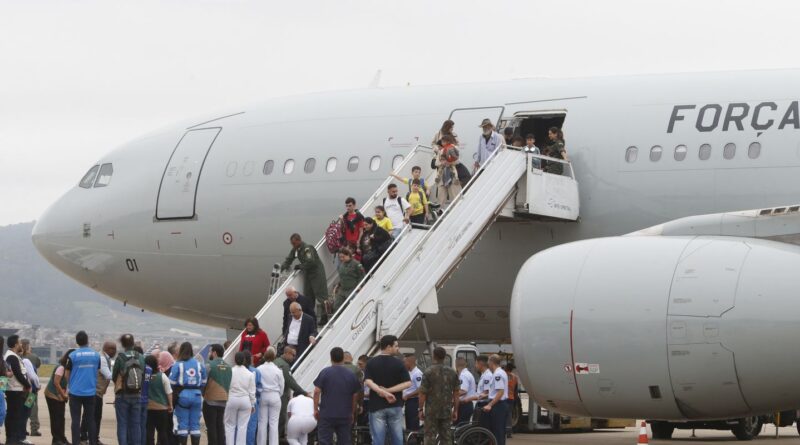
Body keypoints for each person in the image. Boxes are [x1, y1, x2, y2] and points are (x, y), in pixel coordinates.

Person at [364, 335, 411, 445]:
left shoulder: (371, 362)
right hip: (395, 404)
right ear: (389, 347)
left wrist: (383, 392)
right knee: (397, 438)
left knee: (377, 439)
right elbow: (408, 383)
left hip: (376, 406)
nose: (397, 348)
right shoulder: (399, 363)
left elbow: (368, 382)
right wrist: (389, 391)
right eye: (396, 346)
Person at [313, 347, 360, 445]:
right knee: (344, 441)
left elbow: (317, 391)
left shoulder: (325, 372)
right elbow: (355, 395)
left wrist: (316, 409)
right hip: (344, 414)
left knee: (325, 441)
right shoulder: (351, 375)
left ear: (331, 358)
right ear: (343, 358)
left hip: (327, 413)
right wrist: (352, 411)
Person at [281, 234, 329, 324]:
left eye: (294, 243)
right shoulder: (296, 249)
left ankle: (325, 316)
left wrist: (300, 266)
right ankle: (311, 317)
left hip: (316, 273)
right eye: (292, 244)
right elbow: (289, 259)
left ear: (299, 240)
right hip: (308, 274)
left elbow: (311, 262)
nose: (293, 245)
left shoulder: (307, 248)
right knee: (309, 296)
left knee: (321, 295)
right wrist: (283, 267)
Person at [65, 331, 101, 445]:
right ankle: (93, 442)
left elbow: (67, 374)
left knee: (75, 420)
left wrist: (71, 384)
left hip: (75, 392)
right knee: (90, 420)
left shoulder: (72, 356)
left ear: (77, 342)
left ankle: (76, 442)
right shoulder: (96, 355)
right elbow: (97, 370)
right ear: (87, 340)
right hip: (90, 392)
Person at [419, 347, 460, 445]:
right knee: (446, 437)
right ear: (445, 357)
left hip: (431, 411)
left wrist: (420, 409)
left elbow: (422, 393)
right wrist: (455, 410)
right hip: (446, 410)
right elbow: (456, 394)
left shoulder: (428, 372)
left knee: (429, 437)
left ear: (434, 356)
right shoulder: (452, 372)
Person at [169, 342, 206, 445]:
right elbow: (204, 381)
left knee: (183, 425)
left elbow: (171, 382)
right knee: (195, 425)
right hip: (197, 396)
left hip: (183, 396)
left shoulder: (178, 364)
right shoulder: (199, 364)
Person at [113, 334, 145, 445]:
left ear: (122, 344)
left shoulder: (121, 357)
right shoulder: (140, 357)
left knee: (122, 424)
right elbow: (144, 374)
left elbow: (114, 375)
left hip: (123, 395)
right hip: (137, 394)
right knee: (136, 424)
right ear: (133, 343)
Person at [82, 341, 114, 445]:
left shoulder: (105, 358)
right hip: (95, 392)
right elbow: (108, 375)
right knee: (94, 416)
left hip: (96, 392)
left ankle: (88, 437)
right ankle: (90, 438)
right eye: (113, 349)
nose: (115, 352)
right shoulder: (102, 358)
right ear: (107, 349)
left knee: (91, 416)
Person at [273, 345, 307, 442]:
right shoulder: (284, 365)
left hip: (274, 394)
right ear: (287, 353)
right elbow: (290, 382)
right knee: (281, 417)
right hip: (281, 395)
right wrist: (303, 392)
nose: (294, 358)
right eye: (293, 355)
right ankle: (279, 438)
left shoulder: (276, 362)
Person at [224, 352, 256, 445]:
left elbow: (226, 386)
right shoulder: (250, 374)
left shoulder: (230, 371)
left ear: (234, 360)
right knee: (242, 427)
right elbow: (252, 391)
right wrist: (253, 404)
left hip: (232, 398)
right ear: (244, 360)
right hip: (245, 400)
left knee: (230, 426)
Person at [204, 344, 232, 445]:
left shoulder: (209, 365)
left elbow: (203, 382)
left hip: (210, 400)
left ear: (214, 353)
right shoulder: (229, 367)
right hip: (224, 400)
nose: (209, 353)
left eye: (210, 351)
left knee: (211, 427)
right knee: (220, 426)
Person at [4, 335, 30, 445]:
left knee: (15, 415)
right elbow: (18, 373)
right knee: (13, 415)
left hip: (16, 389)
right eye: (19, 343)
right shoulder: (11, 357)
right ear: (15, 345)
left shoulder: (13, 356)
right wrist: (27, 384)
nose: (21, 345)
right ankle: (12, 439)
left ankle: (14, 439)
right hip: (14, 390)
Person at [45, 349, 73, 445]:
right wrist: (63, 395)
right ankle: (56, 440)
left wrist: (65, 395)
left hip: (60, 395)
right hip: (52, 394)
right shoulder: (61, 368)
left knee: (61, 417)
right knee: (55, 417)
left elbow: (67, 384)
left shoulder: (69, 368)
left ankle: (62, 438)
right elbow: (56, 383)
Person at [256, 347, 284, 445]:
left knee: (262, 422)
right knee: (273, 423)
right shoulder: (278, 370)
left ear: (264, 357)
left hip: (263, 395)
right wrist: (278, 394)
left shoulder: (258, 369)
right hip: (275, 396)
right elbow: (282, 386)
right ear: (274, 357)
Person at [145, 354, 174, 445]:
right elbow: (169, 392)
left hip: (148, 409)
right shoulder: (162, 376)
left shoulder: (145, 377)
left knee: (149, 433)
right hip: (162, 409)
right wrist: (170, 405)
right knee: (162, 433)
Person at [481, 355, 509, 445]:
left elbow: (500, 392)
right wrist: (486, 395)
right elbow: (497, 391)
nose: (488, 364)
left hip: (498, 405)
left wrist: (490, 405)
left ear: (492, 362)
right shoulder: (500, 372)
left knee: (498, 431)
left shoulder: (498, 374)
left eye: (488, 362)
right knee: (498, 431)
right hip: (499, 404)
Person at [20, 339, 41, 438]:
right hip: (32, 388)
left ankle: (22, 429)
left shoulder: (18, 356)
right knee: (32, 407)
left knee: (22, 408)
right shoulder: (33, 357)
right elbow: (38, 365)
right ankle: (34, 429)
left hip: (21, 388)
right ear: (28, 346)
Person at [434, 134, 462, 207]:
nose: (442, 143)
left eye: (444, 141)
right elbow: (437, 163)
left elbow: (458, 161)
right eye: (442, 142)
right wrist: (442, 163)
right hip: (442, 173)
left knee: (456, 195)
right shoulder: (441, 150)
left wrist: (450, 162)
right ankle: (439, 212)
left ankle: (459, 210)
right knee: (441, 196)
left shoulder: (454, 148)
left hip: (452, 172)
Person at [243, 352, 261, 445]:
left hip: (239, 400)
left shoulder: (235, 370)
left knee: (239, 425)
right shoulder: (255, 371)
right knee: (251, 426)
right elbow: (259, 389)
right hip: (252, 402)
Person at [401, 354, 423, 432]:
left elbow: (420, 389)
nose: (403, 364)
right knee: (408, 425)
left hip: (414, 402)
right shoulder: (410, 373)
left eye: (404, 362)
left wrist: (408, 395)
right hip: (408, 402)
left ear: (409, 362)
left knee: (413, 426)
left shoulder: (417, 373)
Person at [472, 355, 492, 428]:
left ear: (480, 363)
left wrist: (469, 398)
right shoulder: (484, 375)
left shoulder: (487, 376)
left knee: (482, 427)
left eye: (476, 363)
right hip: (480, 403)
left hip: (484, 404)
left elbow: (486, 393)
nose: (475, 366)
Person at [455, 358, 476, 426]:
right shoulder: (468, 374)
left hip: (464, 405)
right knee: (461, 426)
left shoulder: (463, 375)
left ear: (456, 365)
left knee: (460, 427)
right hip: (467, 405)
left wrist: (452, 395)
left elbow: (463, 391)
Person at [504, 363, 518, 438]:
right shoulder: (515, 377)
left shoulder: (503, 375)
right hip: (511, 398)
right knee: (509, 414)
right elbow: (516, 391)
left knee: (502, 414)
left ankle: (502, 431)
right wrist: (515, 401)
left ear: (506, 368)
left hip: (504, 398)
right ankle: (509, 432)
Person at [356, 355, 370, 427]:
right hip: (360, 401)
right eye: (358, 364)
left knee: (366, 424)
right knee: (359, 423)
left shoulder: (371, 375)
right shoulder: (359, 374)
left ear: (366, 364)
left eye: (360, 364)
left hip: (368, 402)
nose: (358, 366)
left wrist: (361, 395)